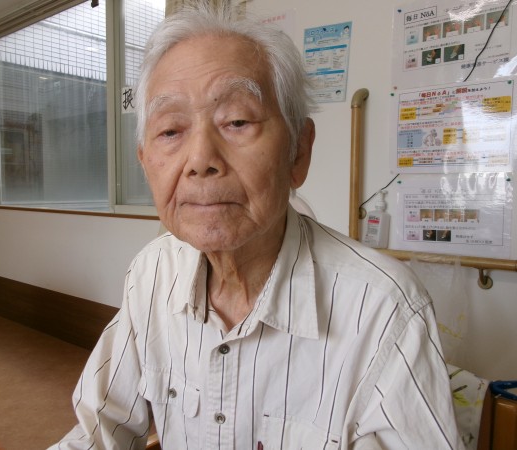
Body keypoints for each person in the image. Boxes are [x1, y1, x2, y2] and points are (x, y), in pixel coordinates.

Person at [50, 5, 463, 449]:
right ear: (145, 162)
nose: (200, 160)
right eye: (170, 131)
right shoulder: (151, 274)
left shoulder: (385, 310)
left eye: (237, 122)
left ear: (298, 152)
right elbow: (99, 431)